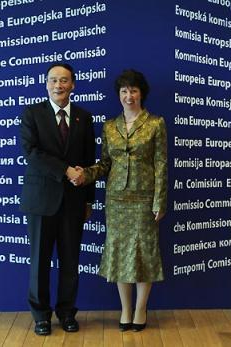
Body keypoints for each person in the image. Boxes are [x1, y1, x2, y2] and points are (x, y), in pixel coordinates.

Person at [73, 69, 167, 332]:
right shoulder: (109, 126)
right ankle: (125, 309)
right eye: (124, 91)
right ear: (119, 95)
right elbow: (105, 164)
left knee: (143, 253)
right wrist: (86, 174)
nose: (129, 96)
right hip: (116, 200)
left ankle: (140, 309)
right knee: (120, 253)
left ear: (141, 93)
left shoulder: (155, 123)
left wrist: (160, 201)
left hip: (144, 199)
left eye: (133, 90)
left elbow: (161, 165)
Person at [19, 63, 95, 335]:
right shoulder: (32, 113)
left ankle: (66, 312)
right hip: (41, 200)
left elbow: (89, 162)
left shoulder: (84, 118)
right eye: (53, 80)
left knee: (70, 261)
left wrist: (89, 201)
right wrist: (65, 169)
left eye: (64, 81)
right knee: (39, 261)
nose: (58, 85)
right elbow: (31, 153)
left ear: (73, 85)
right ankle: (41, 315)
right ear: (46, 84)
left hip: (74, 202)